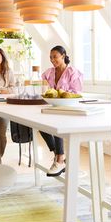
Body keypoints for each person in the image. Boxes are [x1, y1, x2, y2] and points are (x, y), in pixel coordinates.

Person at [40, 45, 83, 177]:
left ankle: (59, 160)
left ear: (63, 56)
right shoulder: (48, 72)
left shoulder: (73, 72)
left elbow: (77, 92)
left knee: (56, 122)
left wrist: (62, 94)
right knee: (40, 125)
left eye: (55, 57)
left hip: (69, 107)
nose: (52, 60)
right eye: (50, 57)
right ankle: (60, 155)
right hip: (52, 106)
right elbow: (43, 89)